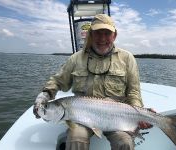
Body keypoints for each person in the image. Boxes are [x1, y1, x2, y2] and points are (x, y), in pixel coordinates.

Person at [33, 14, 153, 150]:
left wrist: (140, 115)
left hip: (117, 116)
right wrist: (44, 96)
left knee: (124, 143)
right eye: (97, 33)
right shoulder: (76, 58)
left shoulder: (127, 58)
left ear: (114, 35)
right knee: (76, 139)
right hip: (81, 118)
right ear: (90, 34)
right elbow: (57, 81)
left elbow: (134, 92)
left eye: (107, 33)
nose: (102, 39)